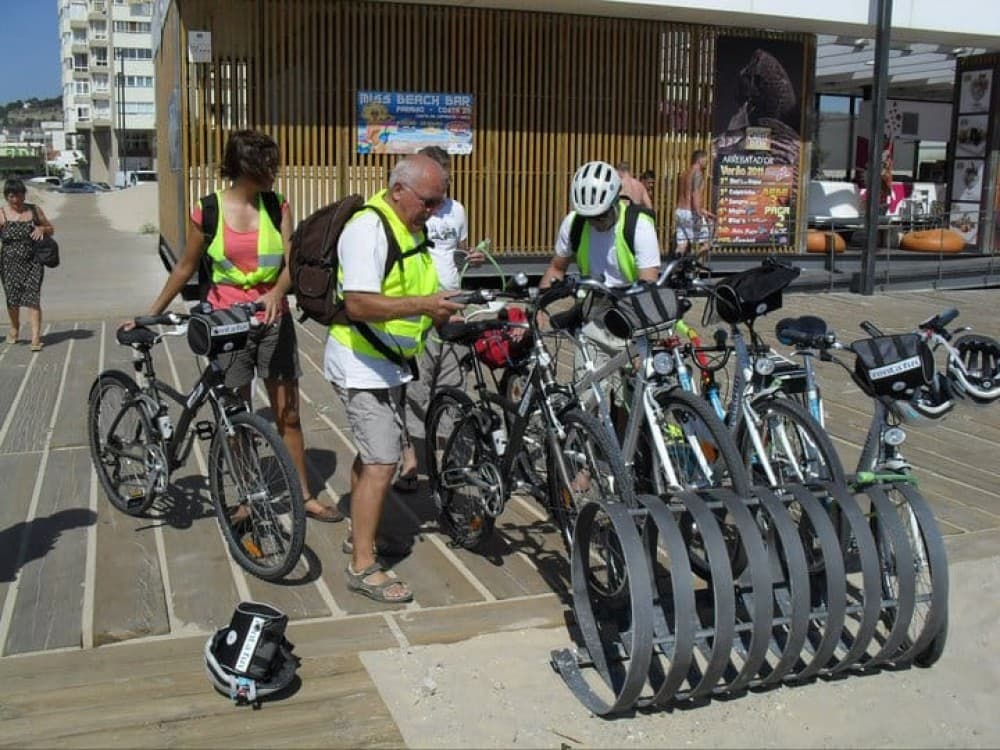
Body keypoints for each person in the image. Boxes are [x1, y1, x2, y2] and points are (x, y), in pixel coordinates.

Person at [136, 129, 340, 524]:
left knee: (289, 415)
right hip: (225, 326)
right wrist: (152, 312)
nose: (275, 171)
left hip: (272, 321)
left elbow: (290, 264)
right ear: (247, 166)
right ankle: (248, 494)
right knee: (236, 416)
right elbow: (186, 267)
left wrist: (278, 293)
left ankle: (304, 495)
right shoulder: (206, 210)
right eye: (269, 164)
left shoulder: (277, 205)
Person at [328, 153, 464, 604]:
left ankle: (359, 534)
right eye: (427, 202)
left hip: (387, 360)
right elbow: (359, 304)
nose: (433, 212)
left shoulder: (409, 226)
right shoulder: (369, 228)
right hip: (361, 361)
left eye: (439, 204)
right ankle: (362, 565)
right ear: (398, 190)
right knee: (384, 462)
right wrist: (425, 306)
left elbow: (418, 283)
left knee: (372, 454)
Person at [540, 160, 661, 422]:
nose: (595, 222)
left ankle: (627, 456)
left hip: (633, 314)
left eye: (601, 215)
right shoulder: (574, 224)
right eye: (589, 217)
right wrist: (539, 307)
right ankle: (584, 453)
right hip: (594, 316)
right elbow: (556, 268)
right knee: (584, 398)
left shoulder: (638, 226)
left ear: (617, 199)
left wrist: (645, 344)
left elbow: (649, 285)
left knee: (634, 403)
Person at [395, 145, 484, 492]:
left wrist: (471, 256)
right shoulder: (412, 209)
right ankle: (409, 461)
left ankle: (448, 462)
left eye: (446, 179)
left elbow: (458, 249)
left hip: (454, 305)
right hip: (418, 310)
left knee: (451, 384)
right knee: (415, 388)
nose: (442, 187)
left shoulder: (457, 209)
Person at [1, 178, 54, 352]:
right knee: (13, 300)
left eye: (19, 196)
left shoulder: (34, 210)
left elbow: (51, 228)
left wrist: (42, 229)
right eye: (11, 197)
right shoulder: (1, 214)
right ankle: (15, 328)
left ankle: (35, 338)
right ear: (7, 197)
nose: (16, 201)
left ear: (24, 195)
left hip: (33, 262)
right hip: (9, 264)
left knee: (33, 298)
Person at [674, 149, 714, 258]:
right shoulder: (697, 173)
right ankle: (691, 262)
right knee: (707, 243)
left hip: (680, 212)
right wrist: (699, 213)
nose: (707, 162)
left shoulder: (684, 174)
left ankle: (675, 266)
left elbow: (685, 195)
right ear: (699, 159)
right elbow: (694, 194)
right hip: (690, 212)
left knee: (682, 244)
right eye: (706, 159)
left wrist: (702, 209)